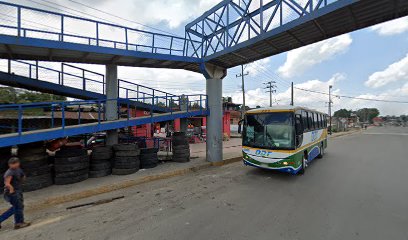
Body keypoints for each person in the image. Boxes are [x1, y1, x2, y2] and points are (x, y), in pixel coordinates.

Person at [0, 157, 30, 230]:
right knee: (18, 207)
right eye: (12, 164)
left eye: (15, 163)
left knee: (17, 207)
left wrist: (21, 181)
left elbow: (23, 176)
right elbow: (7, 183)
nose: (13, 165)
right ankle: (19, 223)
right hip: (12, 192)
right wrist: (12, 189)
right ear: (9, 165)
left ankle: (3, 220)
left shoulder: (18, 169)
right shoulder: (9, 172)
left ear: (18, 163)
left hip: (18, 190)